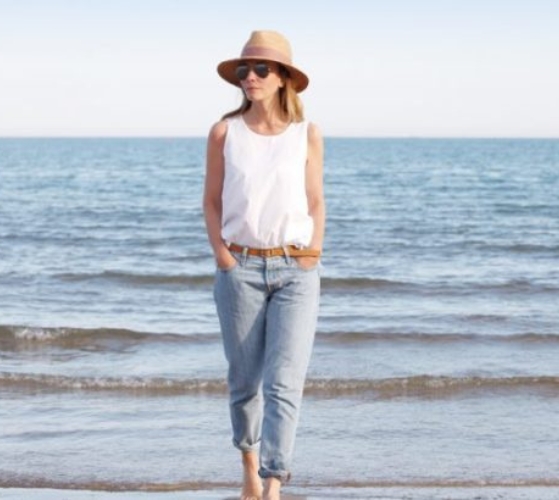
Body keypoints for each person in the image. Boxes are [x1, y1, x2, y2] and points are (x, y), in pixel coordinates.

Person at [202, 30, 325, 500]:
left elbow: (316, 199)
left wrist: (315, 249)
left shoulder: (306, 134)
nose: (249, 77)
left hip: (296, 271)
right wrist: (222, 255)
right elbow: (211, 202)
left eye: (260, 70)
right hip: (242, 270)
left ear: (283, 80)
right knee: (244, 381)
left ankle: (274, 483)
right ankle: (249, 470)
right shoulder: (223, 131)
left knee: (284, 383)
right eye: (243, 70)